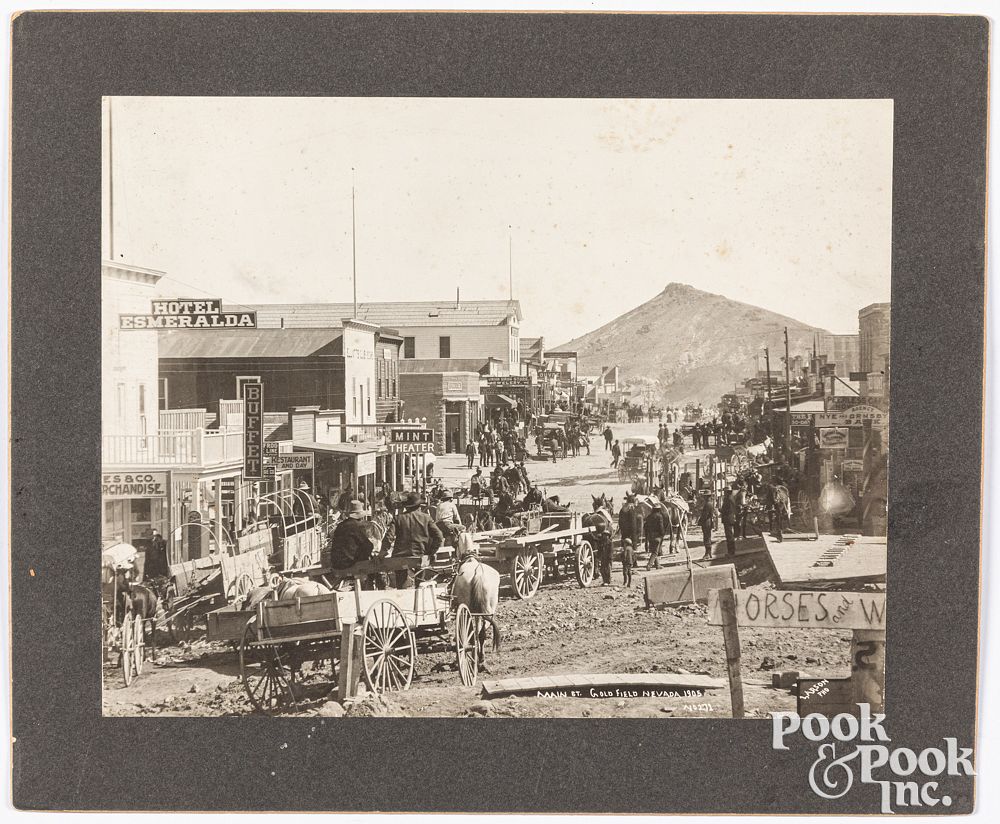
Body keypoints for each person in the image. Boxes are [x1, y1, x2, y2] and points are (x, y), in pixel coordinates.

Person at [387, 492, 443, 587]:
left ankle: (403, 596)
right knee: (421, 584)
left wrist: (382, 553)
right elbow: (439, 536)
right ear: (419, 506)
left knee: (401, 585)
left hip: (400, 556)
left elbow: (389, 537)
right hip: (420, 555)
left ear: (406, 506)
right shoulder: (426, 518)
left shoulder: (398, 518)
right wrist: (431, 552)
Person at [329, 500, 375, 572]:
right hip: (349, 563)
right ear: (360, 516)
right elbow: (368, 545)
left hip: (336, 562)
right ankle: (370, 582)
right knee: (374, 565)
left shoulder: (340, 525)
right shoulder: (356, 526)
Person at [697, 490, 719, 561]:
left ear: (707, 497)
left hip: (706, 522)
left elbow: (704, 515)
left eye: (705, 496)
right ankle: (709, 553)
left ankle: (707, 554)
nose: (704, 498)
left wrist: (699, 521)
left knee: (706, 538)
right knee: (708, 537)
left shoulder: (707, 504)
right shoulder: (710, 503)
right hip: (709, 522)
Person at [644, 505, 666, 570]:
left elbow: (645, 527)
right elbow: (661, 527)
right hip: (657, 537)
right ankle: (649, 565)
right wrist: (662, 534)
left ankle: (657, 565)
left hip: (650, 537)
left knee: (654, 550)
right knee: (655, 552)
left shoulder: (649, 516)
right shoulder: (659, 516)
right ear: (658, 509)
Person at [592, 520, 613, 586]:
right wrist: (591, 534)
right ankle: (605, 581)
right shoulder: (602, 542)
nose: (605, 536)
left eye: (606, 535)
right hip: (603, 558)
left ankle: (608, 581)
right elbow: (596, 540)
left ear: (608, 536)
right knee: (602, 570)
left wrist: (610, 558)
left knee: (607, 569)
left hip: (607, 558)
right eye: (604, 535)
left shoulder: (610, 543)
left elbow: (611, 551)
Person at [720, 484, 738, 556]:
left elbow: (728, 510)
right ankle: (731, 551)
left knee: (729, 535)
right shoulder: (730, 498)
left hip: (728, 519)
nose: (724, 493)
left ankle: (731, 552)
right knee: (729, 535)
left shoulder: (728, 499)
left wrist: (721, 510)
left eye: (725, 492)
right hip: (729, 518)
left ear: (728, 492)